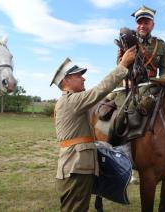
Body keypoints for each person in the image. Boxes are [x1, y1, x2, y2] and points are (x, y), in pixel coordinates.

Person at [51, 47, 136, 212]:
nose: (83, 78)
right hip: (76, 168)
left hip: (77, 167)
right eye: (78, 75)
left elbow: (101, 99)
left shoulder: (74, 103)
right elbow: (99, 90)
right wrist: (123, 65)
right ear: (66, 80)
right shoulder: (71, 101)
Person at [117, 5, 165, 79]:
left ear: (153, 25)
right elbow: (119, 66)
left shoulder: (160, 44)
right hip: (130, 85)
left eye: (146, 23)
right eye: (139, 23)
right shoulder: (127, 41)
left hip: (152, 85)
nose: (142, 26)